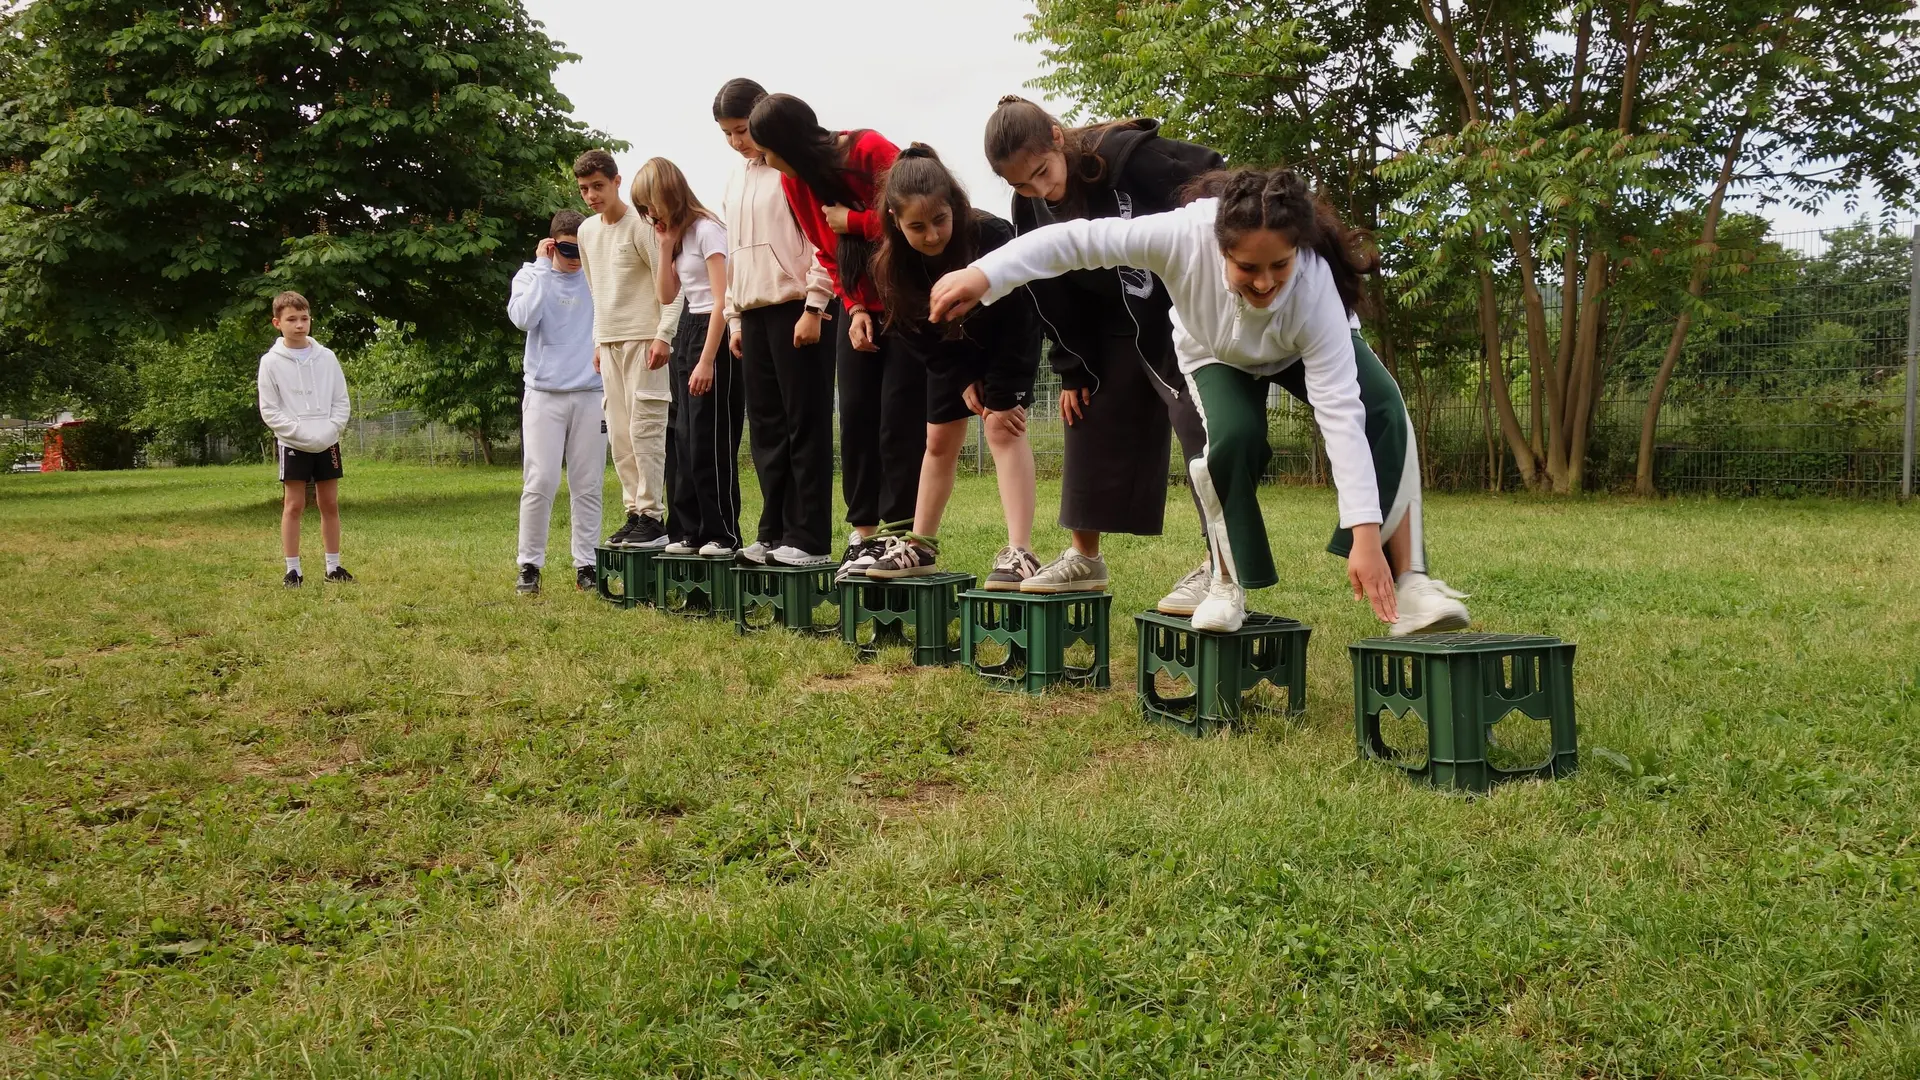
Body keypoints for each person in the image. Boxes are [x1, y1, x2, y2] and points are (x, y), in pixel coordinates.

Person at [929, 167, 1472, 636]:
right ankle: (1225, 581)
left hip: (1297, 350)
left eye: (1278, 266)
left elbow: (1341, 414)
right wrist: (986, 274)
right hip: (1215, 353)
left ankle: (1413, 582)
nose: (1265, 283)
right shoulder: (1182, 236)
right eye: (1248, 269)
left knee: (1383, 408)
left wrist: (1366, 536)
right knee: (1228, 441)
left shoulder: (1313, 284)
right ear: (1220, 248)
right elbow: (1076, 241)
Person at [982, 96, 1223, 611]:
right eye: (1023, 184)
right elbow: (1046, 289)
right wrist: (1073, 368)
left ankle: (1221, 561)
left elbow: (1214, 180)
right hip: (1109, 324)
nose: (1041, 189)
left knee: (1197, 420)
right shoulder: (1030, 206)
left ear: (1056, 136)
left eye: (1044, 172)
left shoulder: (1130, 157)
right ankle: (1084, 557)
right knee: (1087, 407)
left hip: (1177, 311)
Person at [748, 93, 922, 582]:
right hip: (862, 307)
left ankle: (900, 535)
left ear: (788, 141)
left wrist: (859, 222)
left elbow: (920, 219)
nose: (762, 158)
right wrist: (856, 306)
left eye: (766, 148)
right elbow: (826, 251)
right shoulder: (791, 180)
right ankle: (864, 536)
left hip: (908, 305)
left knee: (896, 424)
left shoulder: (869, 151)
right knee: (857, 421)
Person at [858, 146, 1042, 589]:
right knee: (938, 438)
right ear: (894, 221)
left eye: (940, 220)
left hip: (1006, 342)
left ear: (956, 207)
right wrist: (960, 378)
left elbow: (1025, 311)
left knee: (1002, 427)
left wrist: (1004, 389)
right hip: (949, 351)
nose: (932, 235)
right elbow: (914, 333)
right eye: (916, 226)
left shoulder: (992, 235)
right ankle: (921, 544)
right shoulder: (891, 265)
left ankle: (1021, 552)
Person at [713, 78, 837, 567]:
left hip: (798, 308)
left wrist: (815, 305)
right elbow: (736, 257)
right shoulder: (737, 179)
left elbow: (824, 242)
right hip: (754, 312)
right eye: (727, 134)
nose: (737, 142)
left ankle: (808, 537)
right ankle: (772, 532)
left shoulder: (794, 169)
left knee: (803, 423)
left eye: (742, 130)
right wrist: (734, 316)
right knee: (765, 429)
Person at [573, 149, 684, 550]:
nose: (591, 196)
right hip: (611, 342)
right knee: (619, 434)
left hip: (645, 339)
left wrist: (664, 335)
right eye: (584, 189)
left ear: (617, 181)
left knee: (645, 429)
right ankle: (634, 513)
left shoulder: (640, 224)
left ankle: (653, 515)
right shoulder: (586, 232)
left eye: (598, 186)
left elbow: (671, 285)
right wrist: (598, 340)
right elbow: (595, 291)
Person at [631, 157, 741, 558]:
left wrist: (708, 360)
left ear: (669, 193)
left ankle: (722, 533)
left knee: (709, 438)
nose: (650, 214)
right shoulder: (674, 237)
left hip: (713, 330)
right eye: (644, 209)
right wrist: (663, 247)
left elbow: (721, 300)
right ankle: (687, 530)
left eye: (651, 204)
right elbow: (665, 295)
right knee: (682, 436)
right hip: (686, 331)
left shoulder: (709, 230)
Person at [506, 210, 606, 595]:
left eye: (580, 247)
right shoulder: (532, 275)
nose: (574, 256)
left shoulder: (596, 276)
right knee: (540, 480)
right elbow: (524, 319)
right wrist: (544, 268)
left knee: (588, 483)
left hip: (590, 393)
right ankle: (529, 565)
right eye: (566, 248)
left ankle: (587, 564)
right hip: (544, 394)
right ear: (552, 244)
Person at [256, 291, 353, 588]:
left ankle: (333, 566)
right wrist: (298, 433)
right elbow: (269, 410)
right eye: (292, 320)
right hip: (293, 443)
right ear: (277, 323)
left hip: (327, 441)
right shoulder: (271, 362)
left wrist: (330, 431)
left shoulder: (327, 358)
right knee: (294, 505)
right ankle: (293, 570)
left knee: (330, 504)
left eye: (304, 318)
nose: (299, 325)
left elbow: (341, 400)